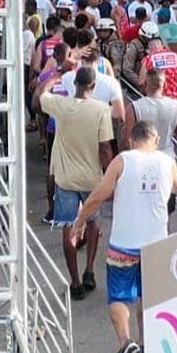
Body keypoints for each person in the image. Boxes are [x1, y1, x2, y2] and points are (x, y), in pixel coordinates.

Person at [74, 120, 177, 353]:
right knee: (149, 294)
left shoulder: (122, 161)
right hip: (157, 243)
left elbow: (99, 195)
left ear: (131, 140)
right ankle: (146, 345)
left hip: (124, 243)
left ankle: (126, 343)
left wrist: (79, 223)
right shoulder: (167, 161)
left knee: (120, 297)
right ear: (155, 140)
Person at [44, 65, 115, 299]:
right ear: (93, 87)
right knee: (93, 223)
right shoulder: (102, 110)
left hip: (65, 178)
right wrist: (112, 175)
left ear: (74, 84)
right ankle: (89, 270)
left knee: (68, 227)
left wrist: (53, 75)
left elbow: (39, 97)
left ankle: (74, 282)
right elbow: (105, 148)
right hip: (92, 178)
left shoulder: (61, 105)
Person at [126, 69, 177, 209]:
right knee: (166, 210)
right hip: (167, 164)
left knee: (142, 210)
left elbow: (127, 142)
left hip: (140, 164)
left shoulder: (134, 108)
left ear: (145, 85)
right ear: (165, 85)